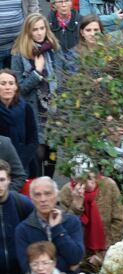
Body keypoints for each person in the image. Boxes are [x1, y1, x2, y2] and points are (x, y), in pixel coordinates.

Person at [10, 13, 64, 171]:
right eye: (35, 29)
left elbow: (61, 79)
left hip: (53, 112)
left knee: (52, 156)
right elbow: (19, 89)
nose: (40, 32)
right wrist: (37, 73)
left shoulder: (54, 49)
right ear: (28, 32)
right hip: (33, 113)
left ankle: (49, 186)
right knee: (37, 156)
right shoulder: (19, 55)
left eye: (42, 28)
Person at [58, 158, 123, 271]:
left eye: (90, 177)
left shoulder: (109, 186)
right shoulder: (66, 192)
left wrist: (104, 255)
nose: (88, 183)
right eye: (82, 180)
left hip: (107, 253)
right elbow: (64, 231)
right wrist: (76, 207)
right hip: (79, 258)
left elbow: (118, 222)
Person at [15, 177, 84, 274]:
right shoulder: (23, 230)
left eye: (48, 194)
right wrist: (67, 266)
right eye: (38, 195)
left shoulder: (72, 222)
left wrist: (57, 229)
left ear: (56, 196)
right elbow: (27, 268)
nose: (43, 199)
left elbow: (76, 257)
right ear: (32, 199)